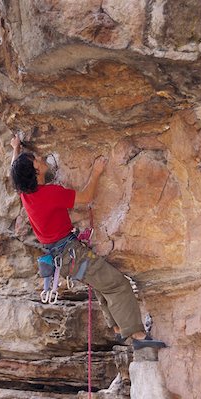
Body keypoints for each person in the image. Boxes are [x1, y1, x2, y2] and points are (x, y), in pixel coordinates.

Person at [10, 134, 166, 350]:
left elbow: (15, 174)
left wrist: (16, 149)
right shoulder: (50, 194)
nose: (38, 157)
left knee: (100, 283)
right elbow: (85, 198)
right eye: (34, 160)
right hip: (73, 254)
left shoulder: (26, 194)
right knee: (117, 284)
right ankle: (139, 337)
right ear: (35, 171)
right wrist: (96, 173)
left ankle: (118, 328)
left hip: (63, 258)